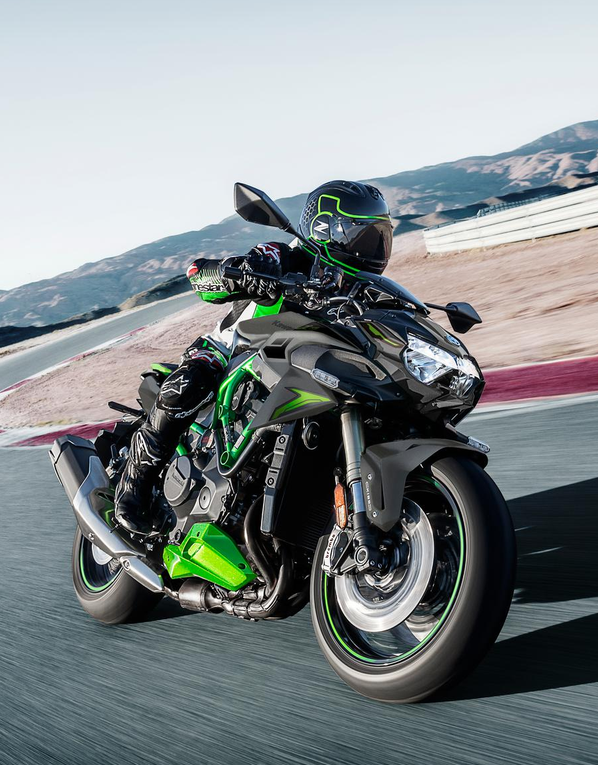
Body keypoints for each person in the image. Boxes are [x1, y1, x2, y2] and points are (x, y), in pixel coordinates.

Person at [112, 180, 394, 537]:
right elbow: (200, 276)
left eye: (381, 237)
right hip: (236, 354)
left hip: (308, 369)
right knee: (190, 383)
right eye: (366, 237)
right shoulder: (285, 258)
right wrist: (243, 272)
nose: (375, 249)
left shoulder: (362, 290)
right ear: (328, 230)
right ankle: (133, 489)